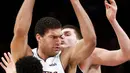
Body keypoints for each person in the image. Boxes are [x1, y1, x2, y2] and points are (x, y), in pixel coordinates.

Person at [10, 0, 96, 73]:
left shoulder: (66, 56)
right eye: (53, 37)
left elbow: (90, 40)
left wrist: (75, 2)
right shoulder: (26, 55)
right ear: (39, 38)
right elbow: (20, 32)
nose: (59, 41)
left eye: (59, 36)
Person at [61, 0, 130, 73]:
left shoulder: (90, 55)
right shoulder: (55, 62)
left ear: (79, 40)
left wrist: (113, 20)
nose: (62, 37)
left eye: (67, 34)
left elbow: (126, 54)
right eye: (60, 36)